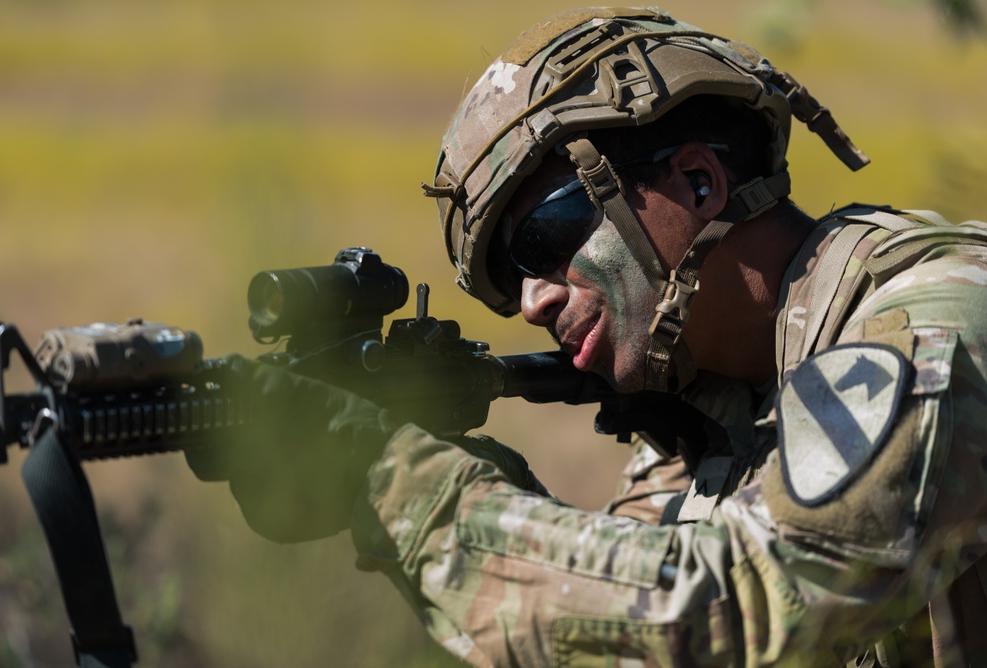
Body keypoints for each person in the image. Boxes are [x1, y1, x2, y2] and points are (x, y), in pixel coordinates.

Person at [187, 7, 987, 666]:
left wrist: (405, 484)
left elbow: (745, 609)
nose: (534, 300)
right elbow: (624, 632)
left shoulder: (929, 326)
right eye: (511, 276)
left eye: (545, 238)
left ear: (698, 183)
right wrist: (423, 484)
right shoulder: (713, 416)